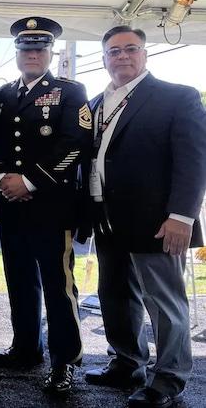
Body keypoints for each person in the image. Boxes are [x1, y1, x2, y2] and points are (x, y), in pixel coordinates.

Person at [83, 26, 206, 408]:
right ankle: (127, 363)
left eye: (130, 49)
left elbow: (194, 160)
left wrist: (182, 216)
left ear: (145, 54)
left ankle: (168, 378)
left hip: (157, 220)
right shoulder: (94, 104)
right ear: (104, 59)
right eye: (113, 51)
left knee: (164, 302)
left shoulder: (177, 97)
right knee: (115, 295)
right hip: (107, 217)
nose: (122, 56)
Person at [0, 16, 90, 393]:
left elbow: (75, 145)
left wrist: (29, 181)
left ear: (50, 53)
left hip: (51, 207)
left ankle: (64, 360)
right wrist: (1, 180)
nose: (32, 54)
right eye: (26, 48)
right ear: (17, 53)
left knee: (57, 286)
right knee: (19, 282)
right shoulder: (2, 95)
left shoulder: (70, 92)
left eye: (39, 48)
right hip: (12, 206)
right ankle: (26, 348)